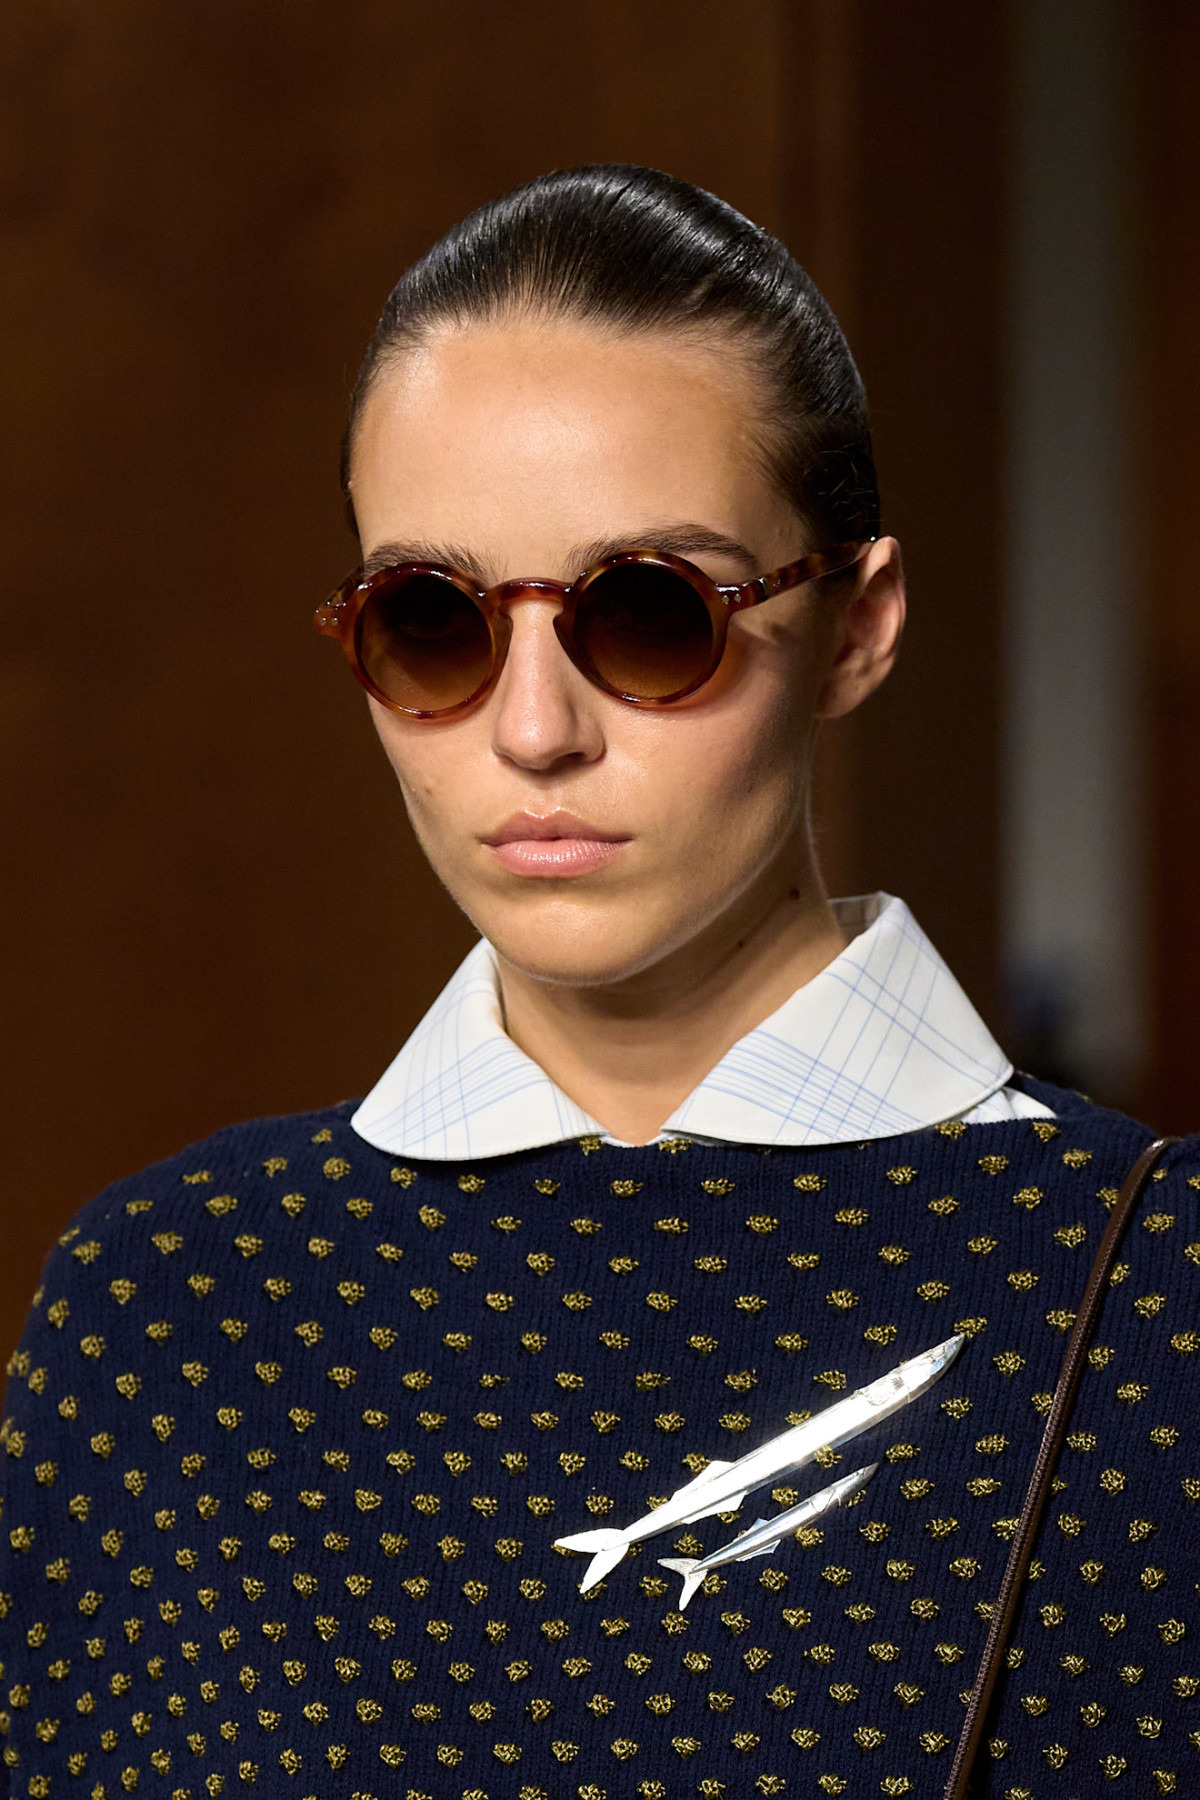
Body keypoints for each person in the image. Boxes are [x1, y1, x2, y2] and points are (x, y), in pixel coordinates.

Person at [1, 165, 1195, 1800]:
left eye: (650, 613)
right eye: (433, 621)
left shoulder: (1157, 1291)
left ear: (858, 627)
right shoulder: (164, 1307)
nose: (535, 731)